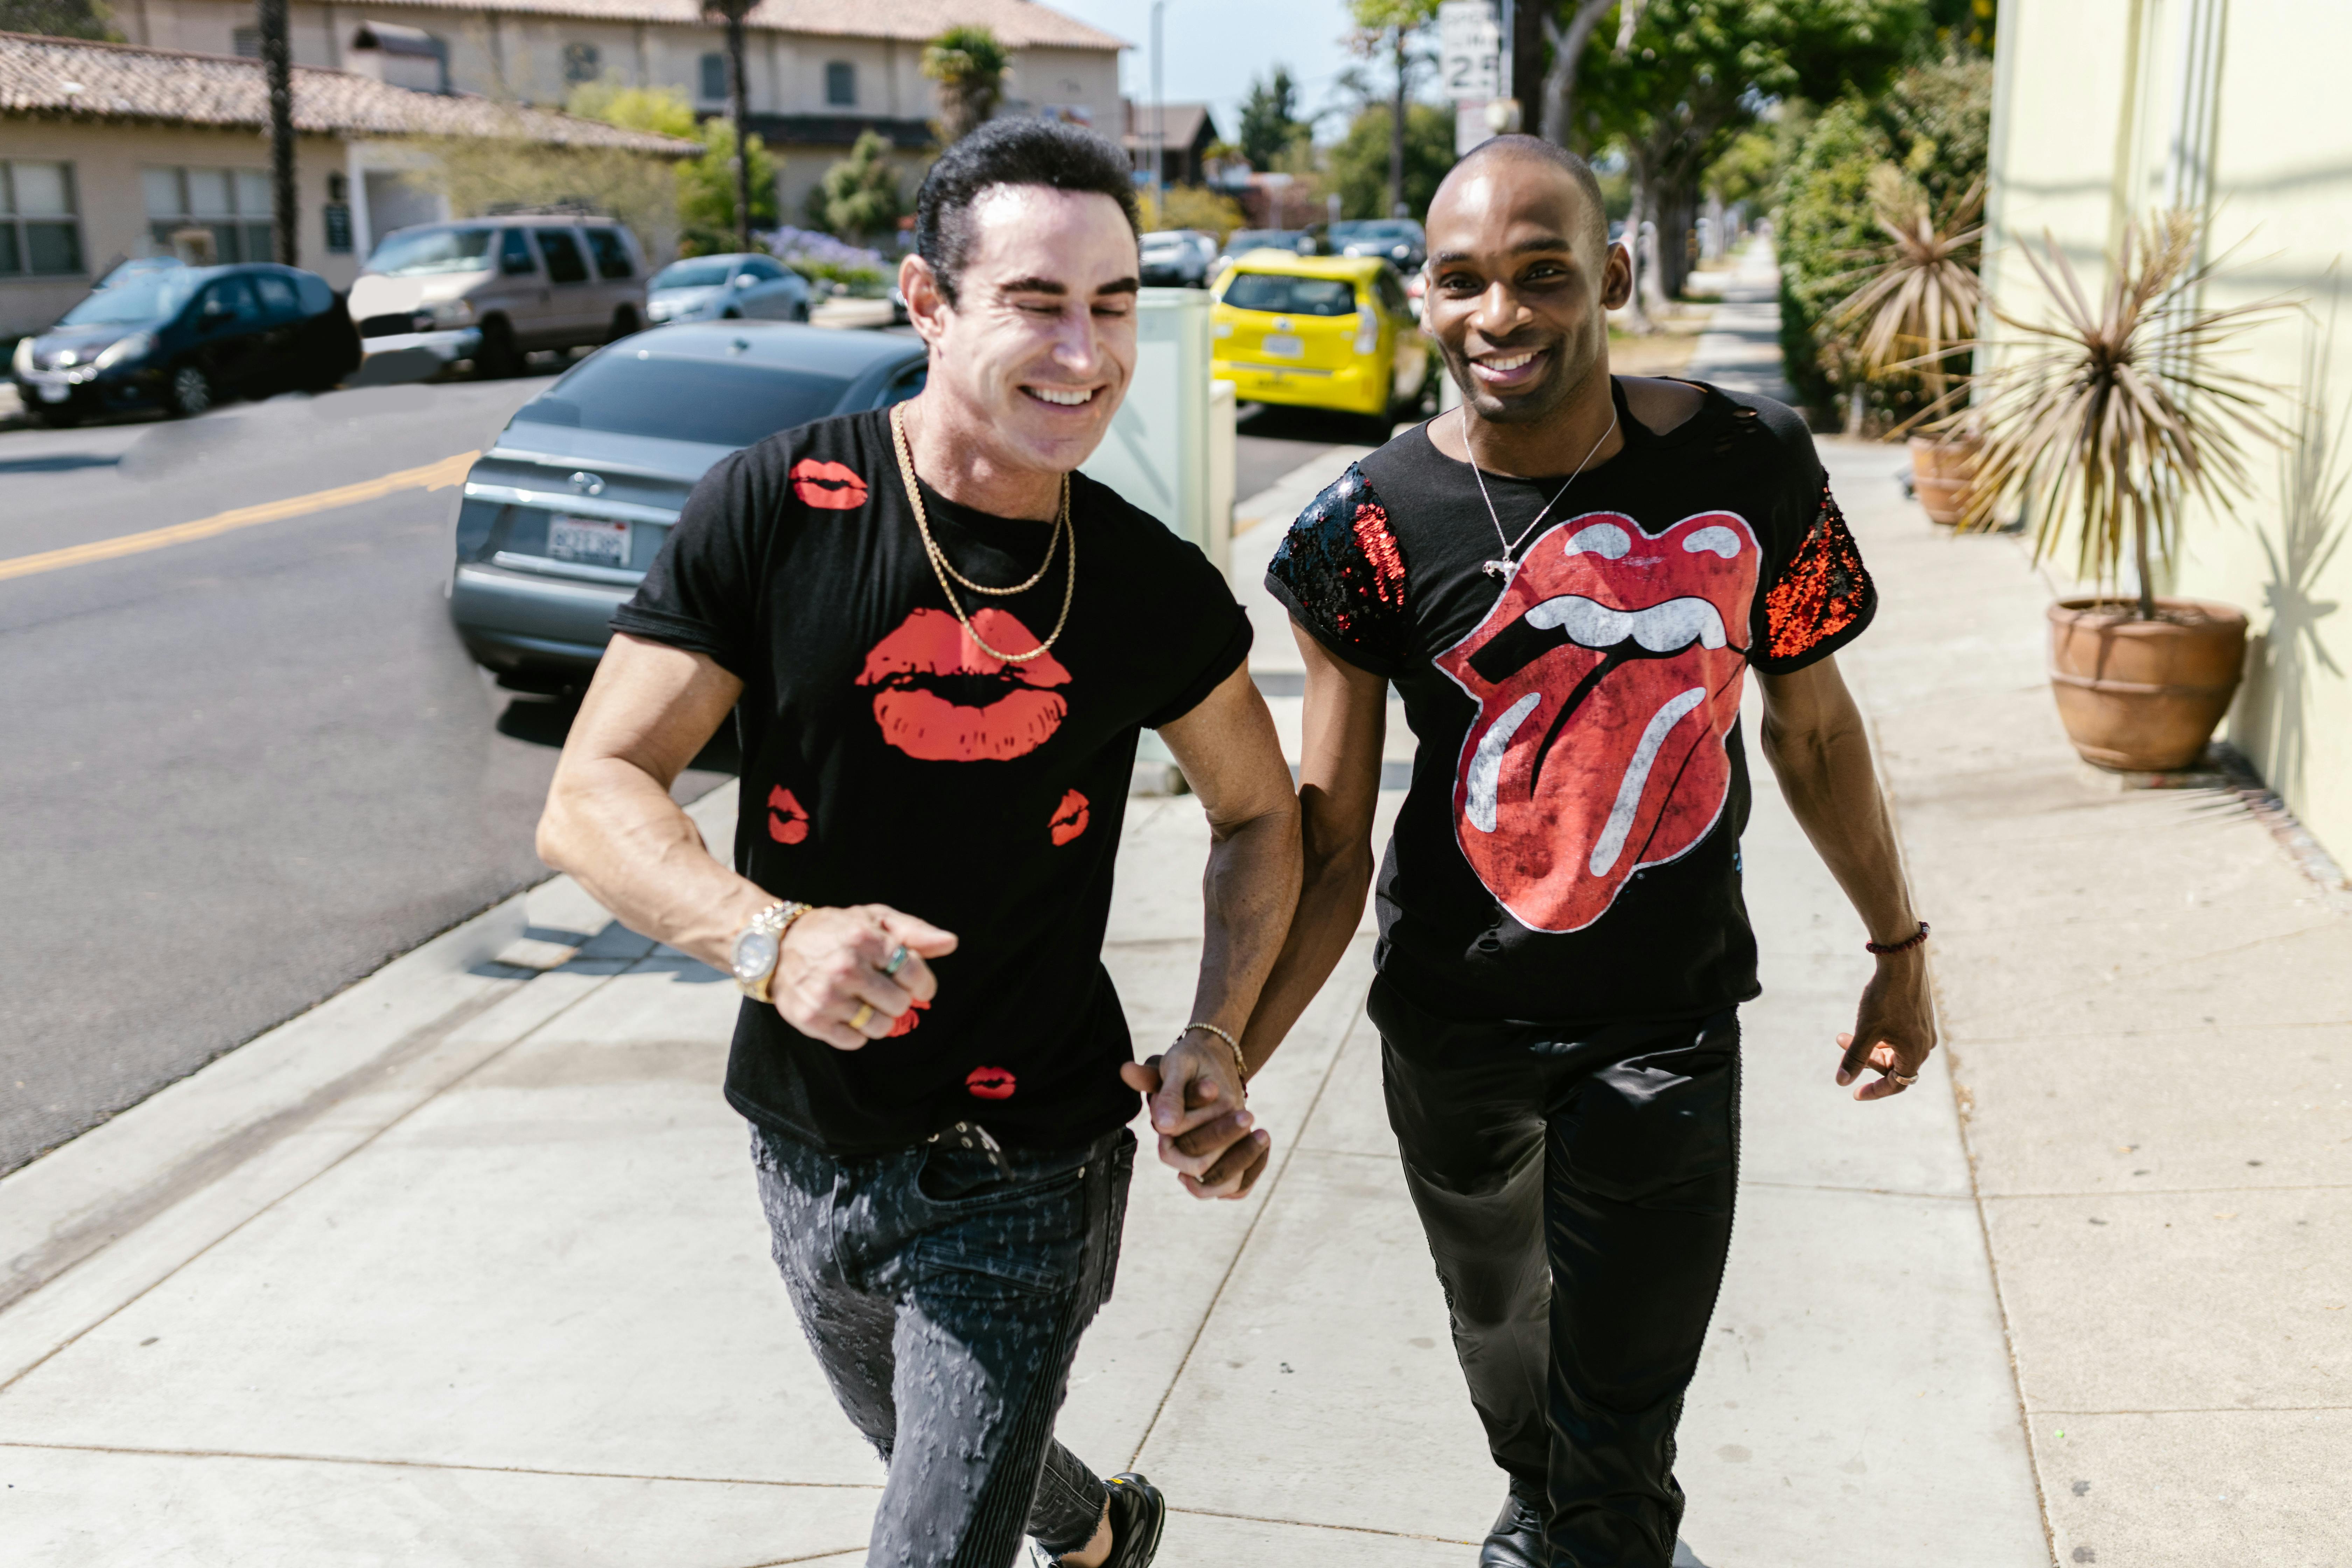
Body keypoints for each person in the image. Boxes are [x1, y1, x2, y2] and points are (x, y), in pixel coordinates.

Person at [537, 118, 1300, 1568]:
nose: (1085, 354)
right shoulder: (778, 508)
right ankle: (1097, 1531)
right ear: (927, 302)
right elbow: (592, 792)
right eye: (1035, 301)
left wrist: (1221, 1025)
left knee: (930, 1540)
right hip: (802, 1135)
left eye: (1115, 305)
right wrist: (767, 940)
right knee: (927, 1445)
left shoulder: (1148, 585)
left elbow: (1262, 812)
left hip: (1027, 1162)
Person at [1242, 136, 1935, 1567]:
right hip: (1452, 1025)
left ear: (1611, 277)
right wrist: (1225, 1045)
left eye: (1545, 275)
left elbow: (1811, 733)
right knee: (1503, 1335)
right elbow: (1325, 839)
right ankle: (1543, 1496)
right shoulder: (1361, 530)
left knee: (1623, 1441)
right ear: (1424, 299)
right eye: (1465, 281)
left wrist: (1899, 948)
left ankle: (1590, 1523)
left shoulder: (1751, 466)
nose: (1503, 312)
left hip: (1666, 1024)